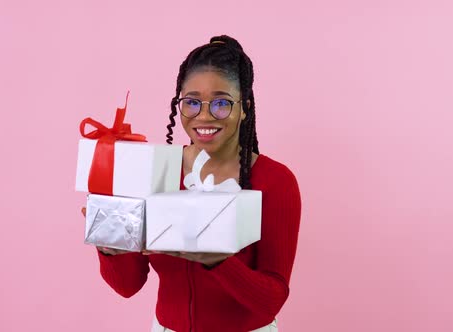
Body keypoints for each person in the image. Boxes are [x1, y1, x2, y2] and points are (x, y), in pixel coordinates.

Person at [81, 35, 302, 332]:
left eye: (222, 103)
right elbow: (127, 286)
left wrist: (219, 261)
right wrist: (109, 245)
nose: (205, 115)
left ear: (245, 106)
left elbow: (271, 301)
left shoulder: (275, 181)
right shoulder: (156, 171)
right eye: (192, 102)